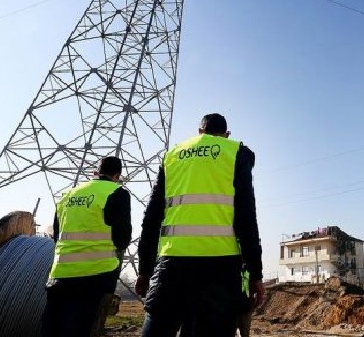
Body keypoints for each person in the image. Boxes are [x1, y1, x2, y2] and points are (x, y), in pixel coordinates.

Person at [136, 113, 265, 336]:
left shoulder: (173, 155)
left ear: (199, 132)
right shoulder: (235, 152)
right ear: (226, 135)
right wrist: (256, 274)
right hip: (220, 270)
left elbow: (152, 217)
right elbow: (246, 218)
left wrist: (145, 270)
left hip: (172, 265)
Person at [42, 156, 132, 337]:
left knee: (50, 329)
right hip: (95, 276)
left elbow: (57, 235)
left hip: (60, 273)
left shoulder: (68, 194)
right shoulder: (117, 193)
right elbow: (122, 239)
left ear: (95, 173)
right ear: (117, 176)